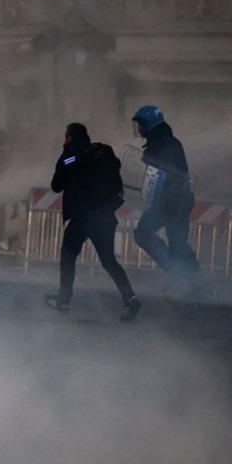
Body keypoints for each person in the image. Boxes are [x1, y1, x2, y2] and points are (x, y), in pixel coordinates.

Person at [44, 123, 142, 321]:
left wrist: (67, 158)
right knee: (109, 261)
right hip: (105, 215)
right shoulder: (103, 151)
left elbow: (56, 185)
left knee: (68, 255)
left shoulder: (70, 156)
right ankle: (130, 299)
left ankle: (64, 300)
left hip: (83, 216)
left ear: (69, 137)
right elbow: (116, 166)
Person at [130, 105, 203, 289]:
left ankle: (193, 280)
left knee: (174, 244)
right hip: (167, 201)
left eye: (142, 124)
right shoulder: (161, 142)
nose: (139, 128)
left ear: (151, 123)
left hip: (173, 202)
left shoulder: (165, 144)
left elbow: (164, 174)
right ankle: (184, 274)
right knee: (150, 236)